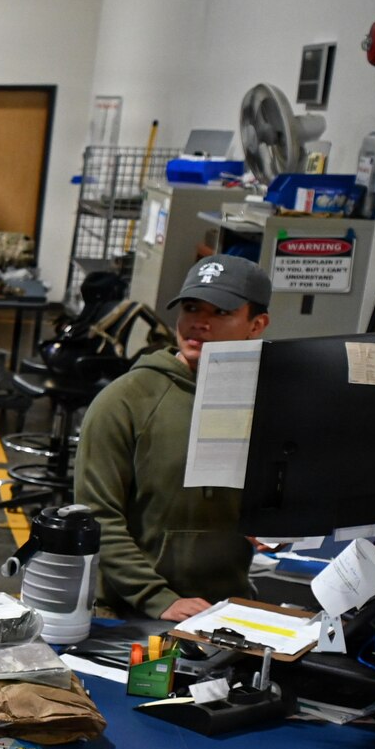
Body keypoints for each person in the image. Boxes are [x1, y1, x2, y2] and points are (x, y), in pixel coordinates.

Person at [74, 254, 272, 620]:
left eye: (221, 312)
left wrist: (278, 523)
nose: (200, 323)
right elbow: (98, 516)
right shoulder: (124, 402)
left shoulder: (267, 400)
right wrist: (156, 597)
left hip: (225, 607)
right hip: (129, 612)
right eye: (192, 308)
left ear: (256, 324)